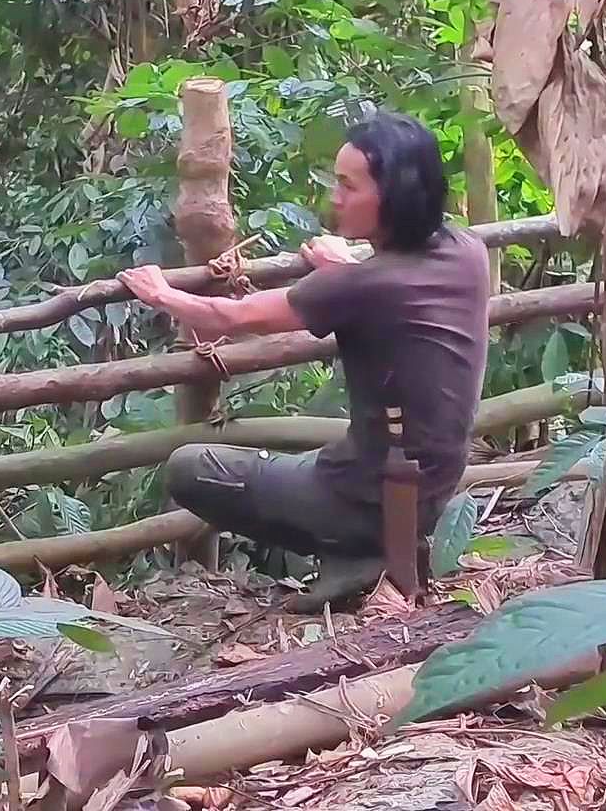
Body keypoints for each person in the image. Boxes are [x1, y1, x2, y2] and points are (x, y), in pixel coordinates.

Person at [117, 110, 490, 611]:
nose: (335, 198)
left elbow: (231, 317)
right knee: (301, 465)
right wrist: (346, 265)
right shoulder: (467, 251)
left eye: (348, 185)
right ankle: (368, 547)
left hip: (370, 496)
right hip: (431, 487)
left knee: (191, 468)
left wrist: (161, 292)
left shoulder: (361, 285)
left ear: (394, 194)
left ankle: (358, 552)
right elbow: (399, 293)